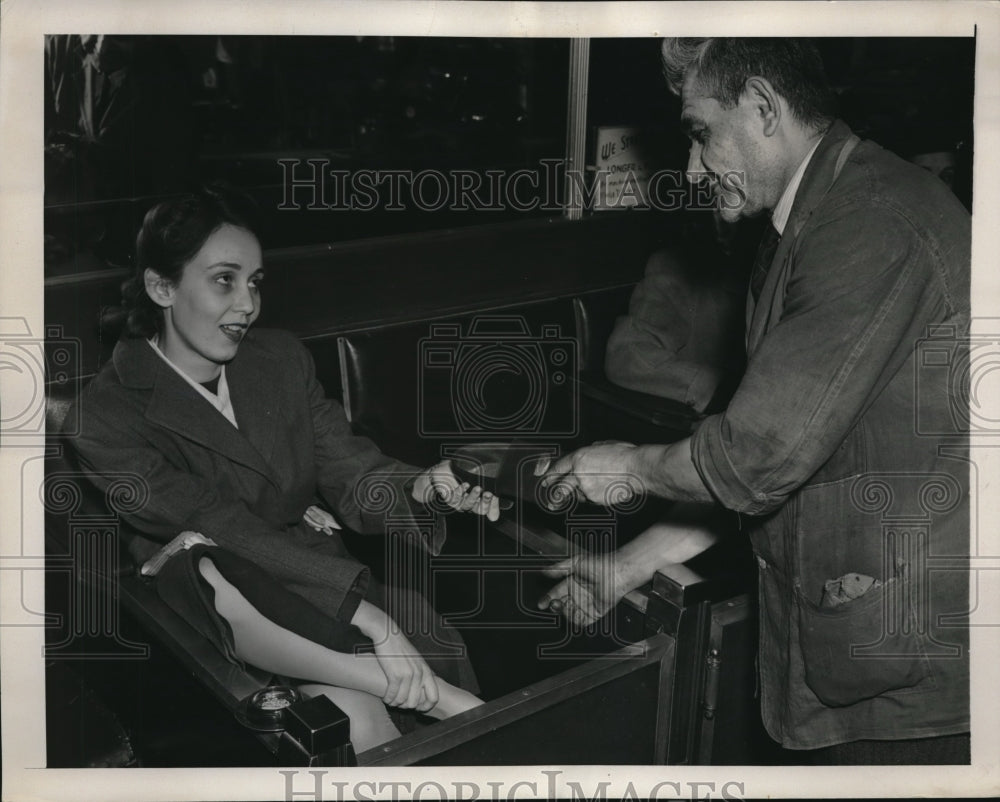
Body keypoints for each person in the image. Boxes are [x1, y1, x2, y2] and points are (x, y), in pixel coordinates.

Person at [539, 38, 970, 764]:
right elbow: (776, 471)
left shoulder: (868, 221)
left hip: (912, 681)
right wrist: (628, 564)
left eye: (700, 133)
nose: (691, 167)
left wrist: (630, 467)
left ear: (764, 107)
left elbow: (754, 461)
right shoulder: (817, 214)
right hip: (858, 657)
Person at [68, 188, 496, 751]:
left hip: (310, 578)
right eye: (225, 279)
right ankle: (435, 698)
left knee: (362, 707)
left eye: (256, 281)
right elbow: (220, 525)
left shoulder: (279, 359)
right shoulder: (102, 415)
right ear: (161, 287)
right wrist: (374, 622)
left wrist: (420, 487)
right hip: (214, 622)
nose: (248, 304)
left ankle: (430, 705)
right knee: (203, 561)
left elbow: (350, 467)